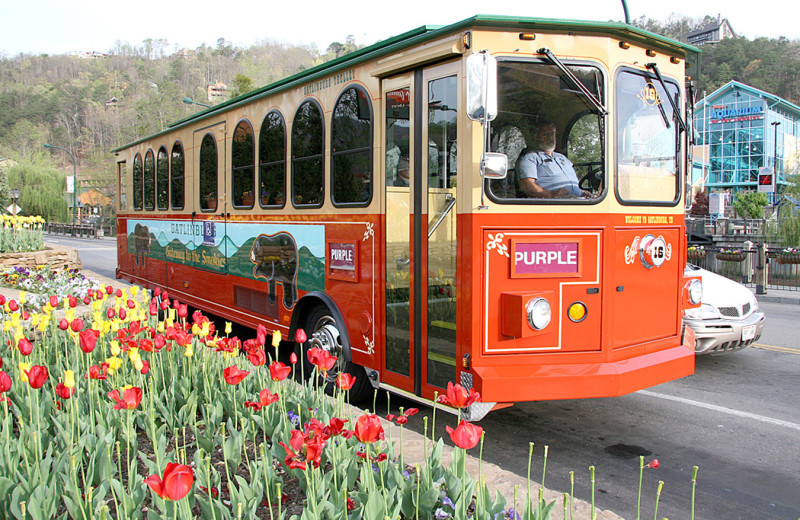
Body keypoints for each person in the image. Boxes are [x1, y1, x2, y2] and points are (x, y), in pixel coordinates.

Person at [517, 122, 592, 199]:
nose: (550, 138)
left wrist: (580, 191)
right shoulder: (531, 158)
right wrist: (551, 194)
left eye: (552, 134)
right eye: (545, 134)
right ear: (536, 137)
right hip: (555, 203)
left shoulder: (562, 158)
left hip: (578, 200)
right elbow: (527, 185)